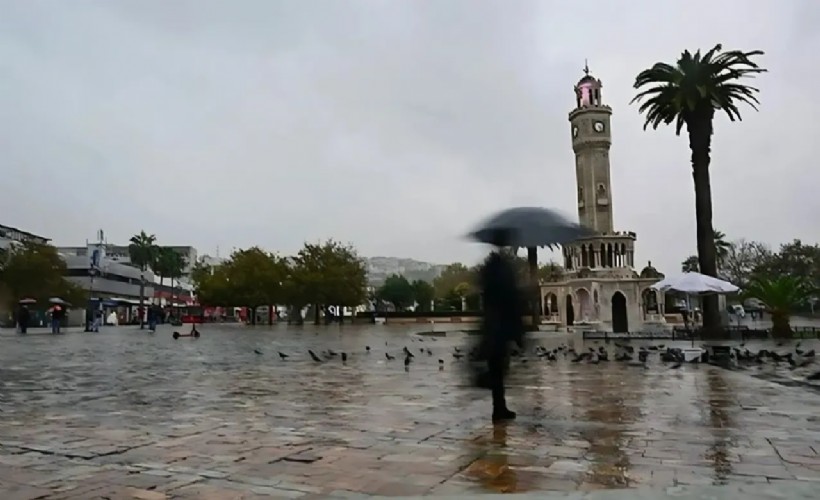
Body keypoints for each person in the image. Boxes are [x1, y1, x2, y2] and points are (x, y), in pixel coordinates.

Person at [476, 229, 526, 423]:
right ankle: (499, 409)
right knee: (498, 369)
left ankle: (500, 407)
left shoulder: (490, 267)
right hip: (500, 327)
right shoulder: (502, 268)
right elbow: (509, 299)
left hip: (492, 326)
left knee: (497, 368)